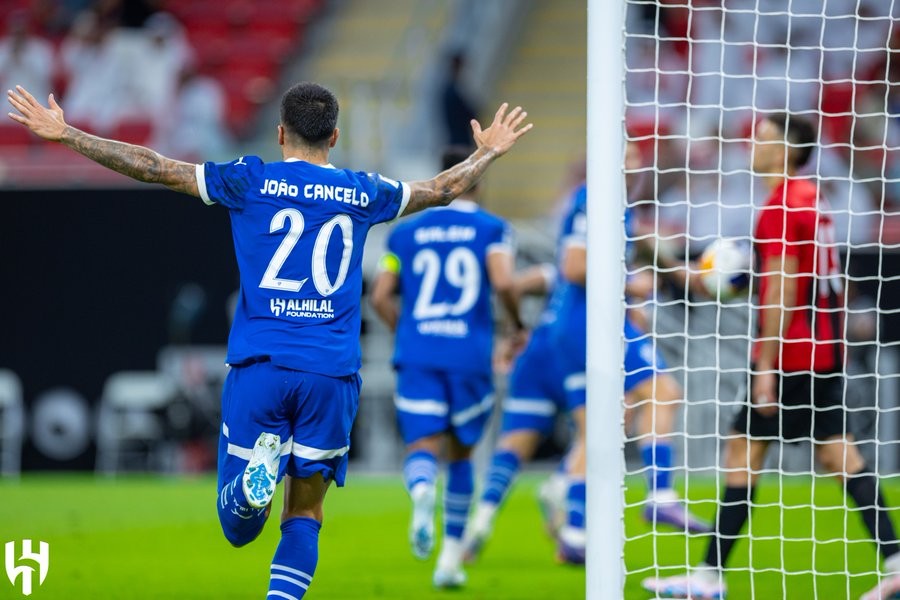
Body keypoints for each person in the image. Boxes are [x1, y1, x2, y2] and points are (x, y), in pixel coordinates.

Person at [7, 82, 532, 599]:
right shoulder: (363, 190)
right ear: (334, 136)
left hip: (263, 367)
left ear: (280, 134)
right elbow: (440, 190)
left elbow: (154, 166)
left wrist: (68, 134)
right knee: (305, 515)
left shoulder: (249, 180)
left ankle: (253, 480)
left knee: (238, 528)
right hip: (331, 375)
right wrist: (485, 154)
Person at [643, 113, 900, 600]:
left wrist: (765, 366)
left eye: (763, 139)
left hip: (791, 354)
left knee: (746, 451)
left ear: (786, 150)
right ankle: (895, 560)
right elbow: (794, 278)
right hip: (823, 348)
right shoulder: (812, 200)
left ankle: (708, 578)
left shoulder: (782, 204)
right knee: (836, 453)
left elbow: (782, 291)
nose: (753, 144)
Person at [369, 146, 524, 588]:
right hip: (468, 355)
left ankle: (421, 492)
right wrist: (515, 324)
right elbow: (504, 281)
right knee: (460, 455)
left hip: (417, 353)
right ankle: (450, 562)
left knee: (422, 445)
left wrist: (409, 331)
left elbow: (379, 297)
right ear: (481, 182)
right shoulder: (493, 228)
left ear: (448, 178)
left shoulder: (405, 234)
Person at [550, 142, 710, 565]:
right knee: (663, 390)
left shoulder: (619, 207)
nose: (635, 167)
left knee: (603, 424)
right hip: (590, 322)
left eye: (638, 160)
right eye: (628, 158)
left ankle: (574, 528)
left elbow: (639, 245)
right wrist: (630, 285)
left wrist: (679, 275)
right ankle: (660, 493)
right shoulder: (594, 199)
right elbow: (573, 266)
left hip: (582, 323)